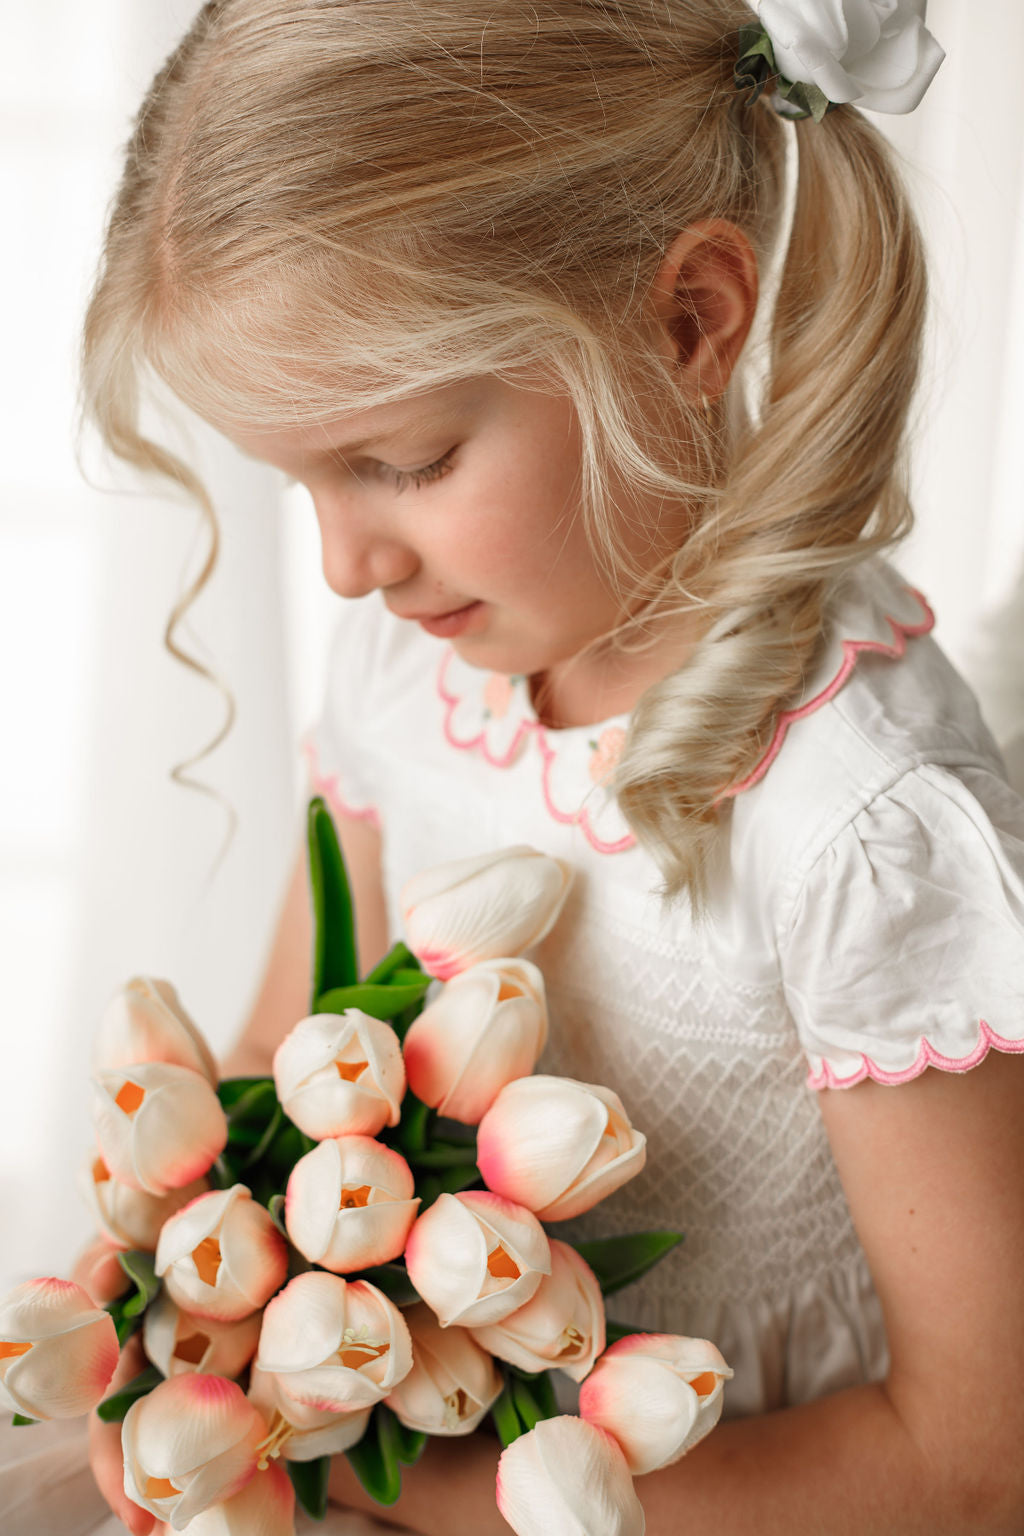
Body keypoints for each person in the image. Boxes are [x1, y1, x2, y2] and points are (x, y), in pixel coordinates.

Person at [8, 1, 1024, 1532]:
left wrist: (423, 1488)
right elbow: (283, 1071)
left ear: (688, 320)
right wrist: (190, 1327)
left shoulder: (861, 827)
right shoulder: (414, 663)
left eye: (401, 462)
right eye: (301, 483)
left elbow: (974, 1462)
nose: (347, 563)